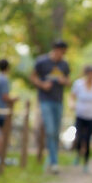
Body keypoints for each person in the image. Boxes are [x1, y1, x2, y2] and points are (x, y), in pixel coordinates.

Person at [32, 40, 71, 174]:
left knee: (55, 132)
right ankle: (54, 162)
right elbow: (33, 76)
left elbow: (68, 81)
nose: (62, 55)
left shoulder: (64, 64)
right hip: (45, 100)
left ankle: (51, 159)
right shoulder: (42, 61)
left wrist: (63, 81)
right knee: (49, 129)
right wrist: (42, 85)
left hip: (58, 100)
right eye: (61, 51)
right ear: (56, 50)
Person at [70, 64, 92, 173]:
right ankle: (78, 153)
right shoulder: (78, 84)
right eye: (89, 74)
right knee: (79, 137)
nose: (91, 76)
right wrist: (71, 104)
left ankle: (86, 162)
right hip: (80, 115)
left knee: (88, 138)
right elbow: (72, 97)